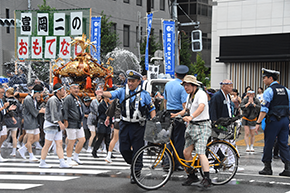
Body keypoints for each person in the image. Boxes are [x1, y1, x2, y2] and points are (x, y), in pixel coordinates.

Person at [95, 70, 156, 183]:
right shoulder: (122, 91)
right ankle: (133, 162)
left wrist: (153, 122)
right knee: (124, 148)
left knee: (138, 149)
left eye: (133, 81)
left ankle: (136, 173)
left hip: (139, 125)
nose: (130, 83)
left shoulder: (144, 94)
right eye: (129, 81)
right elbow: (112, 94)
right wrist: (102, 93)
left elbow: (152, 109)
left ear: (139, 82)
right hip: (125, 124)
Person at [171, 75, 212, 188]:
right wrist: (176, 114)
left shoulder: (201, 94)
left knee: (200, 152)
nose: (185, 87)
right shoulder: (190, 96)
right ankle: (192, 176)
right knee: (186, 152)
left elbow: (201, 107)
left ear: (194, 85)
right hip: (192, 126)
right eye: (184, 85)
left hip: (203, 126)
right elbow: (186, 110)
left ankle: (207, 178)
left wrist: (191, 116)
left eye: (187, 85)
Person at [254, 68, 290, 177]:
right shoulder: (286, 90)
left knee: (269, 143)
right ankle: (288, 167)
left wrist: (258, 122)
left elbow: (264, 109)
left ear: (270, 78)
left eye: (264, 78)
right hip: (285, 120)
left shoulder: (269, 91)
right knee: (283, 143)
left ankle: (267, 167)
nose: (263, 80)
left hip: (273, 121)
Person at [39, 83, 70, 168]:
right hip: (51, 124)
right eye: (63, 89)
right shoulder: (53, 99)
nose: (64, 91)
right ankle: (42, 162)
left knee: (59, 143)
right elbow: (54, 113)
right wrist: (60, 123)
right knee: (47, 144)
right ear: (58, 91)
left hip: (56, 125)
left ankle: (62, 162)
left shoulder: (59, 99)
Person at [163, 65, 189, 171]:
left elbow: (165, 100)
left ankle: (166, 162)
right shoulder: (183, 86)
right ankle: (177, 163)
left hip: (168, 113)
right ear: (186, 76)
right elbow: (184, 104)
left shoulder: (168, 84)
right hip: (179, 114)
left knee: (168, 139)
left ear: (175, 74)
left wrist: (166, 112)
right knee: (179, 139)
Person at [18, 84, 45, 161]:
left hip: (34, 121)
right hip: (29, 120)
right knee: (30, 139)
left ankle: (23, 149)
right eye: (40, 93)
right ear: (36, 92)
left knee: (36, 138)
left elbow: (35, 109)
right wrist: (41, 111)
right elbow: (33, 111)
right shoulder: (28, 99)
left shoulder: (34, 99)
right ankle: (30, 155)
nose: (40, 95)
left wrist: (40, 110)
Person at [63, 83, 86, 166]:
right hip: (71, 121)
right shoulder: (68, 98)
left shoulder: (78, 98)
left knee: (82, 139)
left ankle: (76, 156)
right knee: (71, 141)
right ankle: (68, 159)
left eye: (77, 88)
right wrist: (65, 120)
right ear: (70, 89)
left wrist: (81, 119)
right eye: (74, 88)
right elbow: (65, 110)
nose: (76, 89)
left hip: (78, 122)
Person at [0, 85, 17, 161]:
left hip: (2, 121)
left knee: (4, 136)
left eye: (3, 92)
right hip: (2, 120)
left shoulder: (2, 100)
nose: (2, 94)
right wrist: (3, 108)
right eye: (1, 92)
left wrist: (8, 109)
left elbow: (3, 111)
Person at [4, 88, 22, 157]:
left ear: (8, 93)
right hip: (16, 119)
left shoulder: (6, 100)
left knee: (3, 135)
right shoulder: (17, 101)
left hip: (7, 119)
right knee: (14, 137)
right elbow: (20, 109)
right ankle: (13, 151)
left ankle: (3, 144)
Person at [104, 98, 121, 163]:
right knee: (131, 137)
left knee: (114, 138)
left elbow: (111, 109)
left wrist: (107, 118)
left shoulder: (116, 99)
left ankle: (108, 155)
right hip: (126, 120)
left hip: (117, 119)